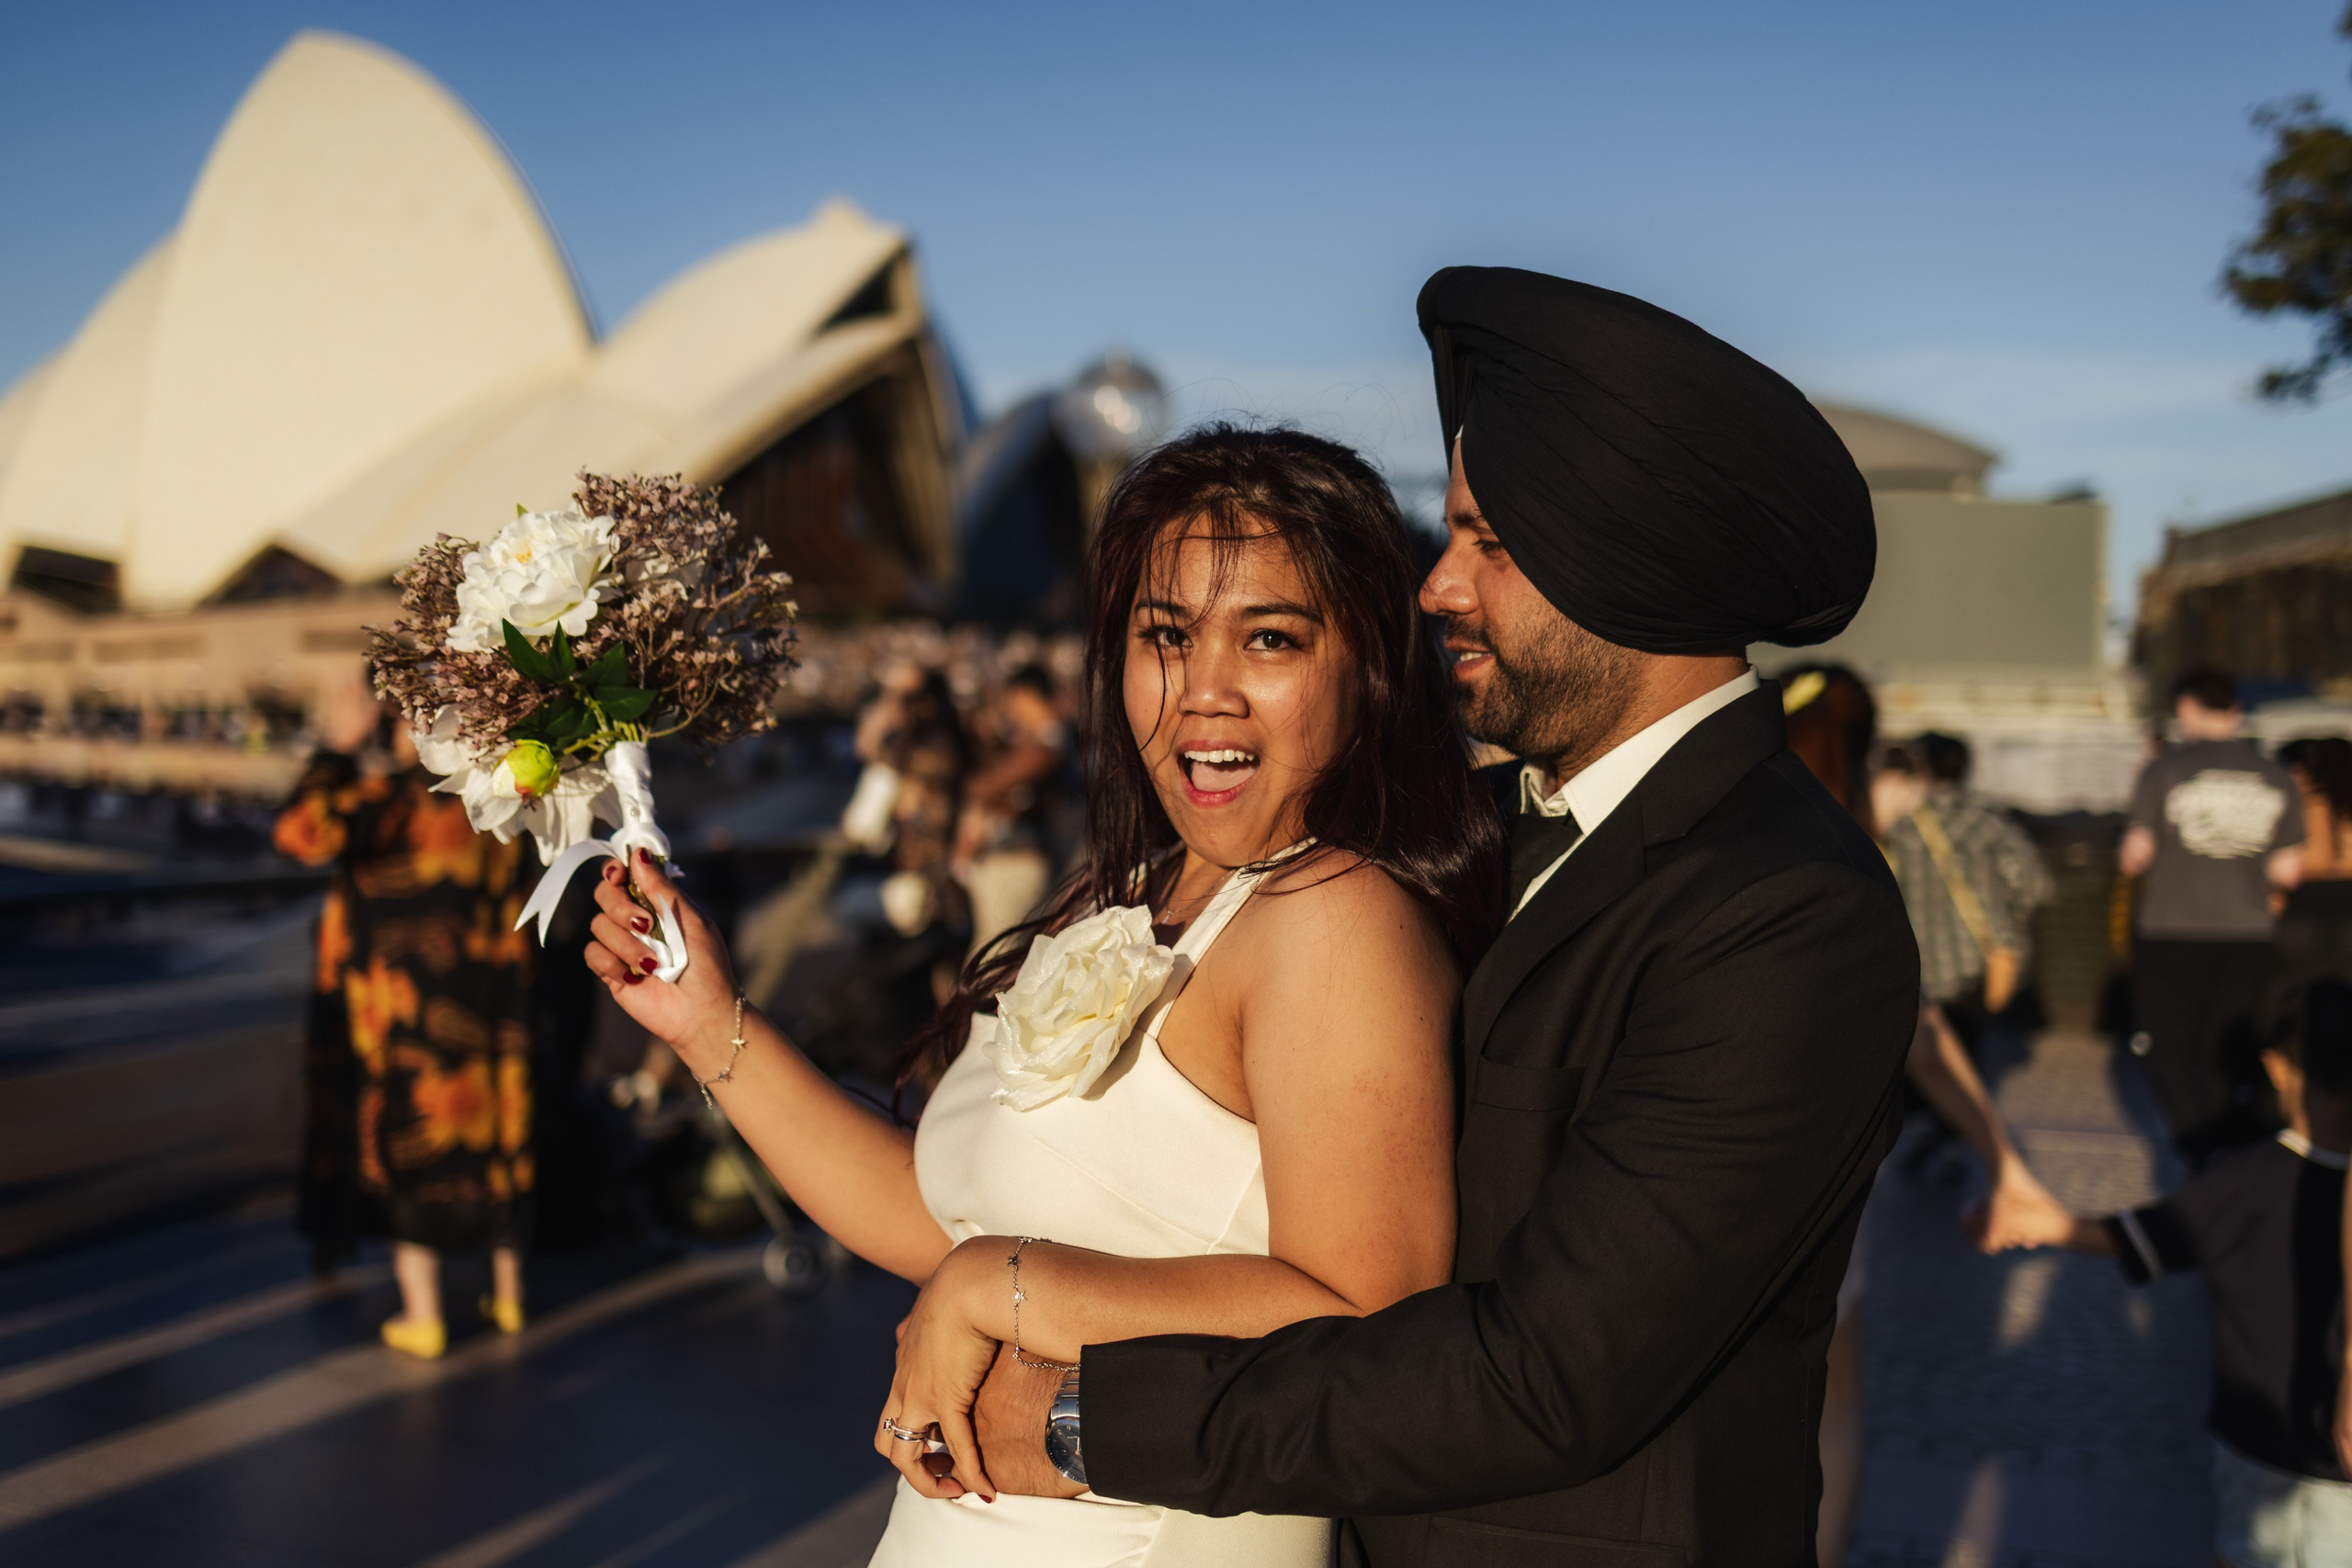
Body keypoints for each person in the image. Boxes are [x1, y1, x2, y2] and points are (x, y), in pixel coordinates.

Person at [960, 267, 1918, 1562]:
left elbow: (1547, 1376)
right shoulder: (1482, 829)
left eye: (1491, 545)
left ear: (1639, 566)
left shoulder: (1785, 912)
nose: (1437, 585)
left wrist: (1087, 1421)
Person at [582, 424, 1505, 1565]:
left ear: (1367, 669)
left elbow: (1374, 1317)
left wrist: (1003, 1285)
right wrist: (707, 1023)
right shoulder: (1126, 891)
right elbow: (943, 1224)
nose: (1204, 691)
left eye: (1269, 638)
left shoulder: (1331, 914)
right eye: (1166, 635)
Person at [1785, 673, 2068, 1565]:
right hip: (1820, 1184)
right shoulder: (1850, 857)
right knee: (1834, 1406)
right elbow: (1923, 1035)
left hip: (1681, 1179)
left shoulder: (1706, 832)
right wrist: (2005, 1161)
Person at [275, 667, 538, 1359]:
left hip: (406, 1020)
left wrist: (337, 747)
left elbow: (301, 832)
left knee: (414, 1146)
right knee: (495, 1145)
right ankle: (509, 1295)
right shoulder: (498, 803)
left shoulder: (390, 801)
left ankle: (425, 1316)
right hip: (494, 1014)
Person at [2048, 978, 2352, 1566]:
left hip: (2260, 1442)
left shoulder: (2243, 1178)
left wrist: (2041, 1220)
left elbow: (2144, 1237)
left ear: (2277, 1067)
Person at [2123, 668, 2305, 1159]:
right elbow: (2287, 871)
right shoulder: (2275, 776)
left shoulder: (2164, 769)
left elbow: (2135, 856)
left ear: (2185, 708)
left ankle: (2197, 1151)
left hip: (2172, 928)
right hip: (2247, 931)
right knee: (2222, 1049)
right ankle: (2222, 1148)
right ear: (2235, 711)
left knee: (2167, 1050)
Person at [1883, 731, 2052, 1055]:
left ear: (1925, 769)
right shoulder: (1991, 822)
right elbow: (2034, 886)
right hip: (1977, 961)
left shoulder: (1900, 828)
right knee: (1970, 1054)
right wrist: (2007, 915)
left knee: (1920, 1058)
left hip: (1916, 963)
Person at [956, 662, 1069, 955]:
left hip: (1018, 859)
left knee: (993, 953)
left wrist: (986, 786)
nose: (1012, 710)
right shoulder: (1036, 740)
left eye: (1013, 700)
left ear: (1026, 696)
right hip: (1016, 857)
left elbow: (986, 786)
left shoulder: (1048, 740)